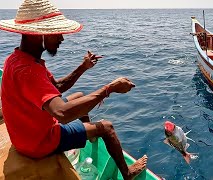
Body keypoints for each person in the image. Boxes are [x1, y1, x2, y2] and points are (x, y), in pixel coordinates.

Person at [0, 0, 147, 179]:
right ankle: (128, 172)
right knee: (107, 127)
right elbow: (62, 113)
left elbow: (57, 87)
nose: (62, 38)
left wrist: (83, 67)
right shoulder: (29, 71)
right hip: (38, 143)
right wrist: (109, 88)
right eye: (56, 33)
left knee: (79, 96)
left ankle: (89, 135)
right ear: (36, 35)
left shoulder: (18, 59)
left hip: (25, 134)